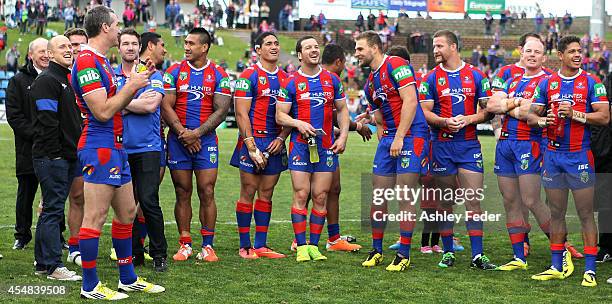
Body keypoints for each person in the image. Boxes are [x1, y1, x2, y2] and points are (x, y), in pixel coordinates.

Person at [70, 6, 164, 299]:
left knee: (125, 214)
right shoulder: (86, 61)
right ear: (106, 28)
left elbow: (115, 104)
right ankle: (90, 285)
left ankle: (128, 278)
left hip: (116, 146)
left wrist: (133, 83)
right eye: (117, 24)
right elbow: (101, 111)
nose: (121, 28)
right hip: (99, 146)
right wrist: (133, 85)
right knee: (95, 217)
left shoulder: (100, 61)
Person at [527, 35, 609, 287]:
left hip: (579, 156)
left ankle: (590, 269)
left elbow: (604, 117)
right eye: (572, 51)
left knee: (585, 213)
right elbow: (531, 115)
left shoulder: (592, 82)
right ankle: (556, 264)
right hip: (553, 156)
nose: (577, 55)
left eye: (580, 50)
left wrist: (576, 114)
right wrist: (543, 120)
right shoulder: (548, 83)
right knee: (556, 212)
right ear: (560, 55)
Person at [419, 30, 497, 270]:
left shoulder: (477, 75)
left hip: (469, 145)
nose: (435, 50)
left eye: (439, 45)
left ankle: (478, 256)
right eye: (434, 46)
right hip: (441, 146)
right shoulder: (430, 78)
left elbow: (488, 111)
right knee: (445, 202)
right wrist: (443, 122)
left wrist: (469, 119)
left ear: (453, 47)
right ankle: (448, 253)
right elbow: (425, 111)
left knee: (473, 201)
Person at [276, 36, 350, 262]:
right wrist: (298, 123)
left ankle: (314, 246)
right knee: (301, 194)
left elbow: (342, 111)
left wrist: (344, 136)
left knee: (320, 196)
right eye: (308, 47)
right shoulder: (290, 82)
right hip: (300, 146)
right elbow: (280, 115)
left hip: (326, 146)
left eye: (316, 46)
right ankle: (300, 246)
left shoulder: (332, 80)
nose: (314, 50)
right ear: (299, 55)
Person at [486, 38, 558, 271]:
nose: (532, 55)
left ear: (544, 58)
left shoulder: (548, 81)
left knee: (531, 200)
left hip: (529, 144)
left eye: (538, 52)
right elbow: (492, 106)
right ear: (521, 53)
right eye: (528, 51)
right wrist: (516, 103)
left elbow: (533, 112)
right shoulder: (511, 79)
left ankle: (561, 249)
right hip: (505, 144)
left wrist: (509, 106)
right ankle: (519, 257)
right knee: (510, 202)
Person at [161, 27, 231, 263]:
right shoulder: (174, 71)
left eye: (191, 43)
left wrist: (197, 133)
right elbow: (166, 105)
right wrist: (183, 133)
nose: (186, 47)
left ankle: (208, 245)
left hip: (206, 140)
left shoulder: (219, 74)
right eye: (186, 43)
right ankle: (185, 243)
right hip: (179, 139)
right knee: (182, 191)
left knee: (207, 191)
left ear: (205, 47)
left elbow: (221, 110)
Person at [230, 32, 290, 259]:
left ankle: (261, 245)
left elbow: (290, 114)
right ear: (258, 49)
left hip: (275, 143)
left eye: (276, 43)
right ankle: (245, 246)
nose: (274, 47)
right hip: (252, 140)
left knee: (267, 194)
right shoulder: (248, 76)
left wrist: (282, 138)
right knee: (248, 192)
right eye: (268, 44)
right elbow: (241, 113)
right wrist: (252, 147)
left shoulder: (286, 78)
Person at [114, 28, 168, 272]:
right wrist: (123, 103)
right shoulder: (111, 75)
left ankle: (159, 254)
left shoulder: (152, 74)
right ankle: (134, 253)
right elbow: (103, 105)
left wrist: (119, 102)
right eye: (125, 43)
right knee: (126, 205)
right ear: (119, 48)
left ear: (140, 47)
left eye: (134, 43)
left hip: (148, 148)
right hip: (120, 148)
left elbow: (151, 104)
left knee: (148, 201)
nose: (130, 47)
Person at [31, 35, 82, 281]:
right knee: (53, 210)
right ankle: (53, 266)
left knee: (50, 209)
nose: (69, 50)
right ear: (50, 55)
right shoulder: (47, 80)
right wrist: (57, 154)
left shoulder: (66, 79)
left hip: (66, 156)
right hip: (53, 157)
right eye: (62, 46)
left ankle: (43, 263)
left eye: (70, 46)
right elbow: (47, 122)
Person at [319, 44, 369, 252]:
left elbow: (331, 115)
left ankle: (333, 237)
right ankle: (302, 239)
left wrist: (344, 129)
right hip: (318, 143)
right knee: (316, 191)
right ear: (339, 62)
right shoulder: (325, 80)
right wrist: (358, 127)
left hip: (328, 140)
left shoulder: (327, 79)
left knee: (333, 189)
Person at [6, 37, 48, 251]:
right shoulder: (18, 81)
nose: (45, 54)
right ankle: (22, 235)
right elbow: (14, 116)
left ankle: (56, 235)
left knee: (52, 195)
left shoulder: (57, 77)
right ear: (30, 55)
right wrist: (38, 134)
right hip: (28, 150)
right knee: (25, 194)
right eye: (40, 51)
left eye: (47, 50)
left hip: (53, 150)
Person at [63, 27, 88, 267]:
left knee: (87, 197)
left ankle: (80, 245)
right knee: (73, 196)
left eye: (81, 44)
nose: (77, 49)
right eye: (73, 45)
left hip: (93, 143)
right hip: (66, 147)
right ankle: (71, 246)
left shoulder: (93, 71)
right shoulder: (60, 76)